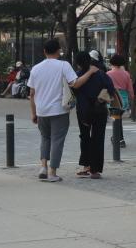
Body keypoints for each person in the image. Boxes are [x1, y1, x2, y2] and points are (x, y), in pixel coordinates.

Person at [30, 39, 98, 181]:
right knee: (57, 140)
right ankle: (52, 172)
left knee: (45, 138)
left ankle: (43, 166)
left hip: (41, 110)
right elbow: (76, 83)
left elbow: (32, 94)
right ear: (58, 51)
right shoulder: (63, 65)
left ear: (44, 51)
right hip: (59, 110)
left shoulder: (36, 68)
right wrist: (90, 72)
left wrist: (33, 112)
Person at [73, 51, 114, 179]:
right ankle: (95, 170)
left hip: (83, 111)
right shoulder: (101, 74)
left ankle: (86, 166)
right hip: (99, 110)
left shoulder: (78, 76)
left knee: (84, 137)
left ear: (78, 63)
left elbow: (72, 90)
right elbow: (111, 90)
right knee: (98, 138)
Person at [106, 54, 134, 151]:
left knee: (116, 119)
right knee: (118, 119)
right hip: (124, 100)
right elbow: (130, 88)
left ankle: (119, 139)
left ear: (112, 62)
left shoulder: (108, 74)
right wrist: (132, 97)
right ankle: (118, 138)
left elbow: (106, 87)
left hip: (113, 99)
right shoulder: (126, 74)